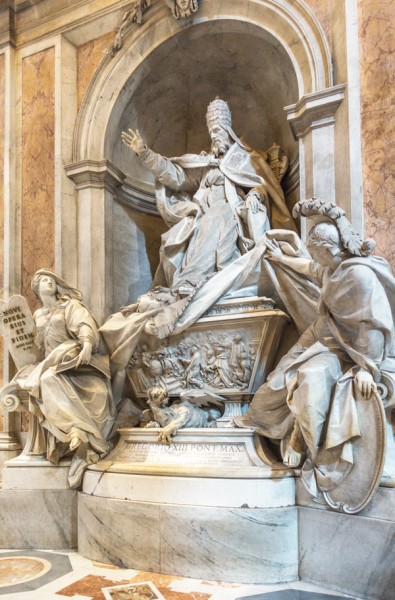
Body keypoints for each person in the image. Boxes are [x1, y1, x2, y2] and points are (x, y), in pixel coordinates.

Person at [235, 199, 395, 497]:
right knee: (276, 383)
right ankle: (261, 425)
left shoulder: (359, 276)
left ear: (327, 249)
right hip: (322, 335)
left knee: (309, 379)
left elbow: (372, 325)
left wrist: (366, 369)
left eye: (316, 250)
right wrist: (280, 259)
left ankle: (300, 438)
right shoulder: (331, 269)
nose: (314, 256)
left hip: (352, 351)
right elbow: (308, 268)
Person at [121, 98, 295, 297]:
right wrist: (145, 154)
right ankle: (189, 281)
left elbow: (263, 185)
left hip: (233, 211)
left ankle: (200, 280)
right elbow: (176, 177)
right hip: (202, 215)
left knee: (218, 217)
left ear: (228, 132)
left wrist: (255, 195)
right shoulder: (205, 164)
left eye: (218, 131)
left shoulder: (246, 158)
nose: (214, 136)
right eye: (211, 132)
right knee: (180, 235)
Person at [12, 269, 116, 487]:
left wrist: (87, 345)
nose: (49, 283)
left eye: (52, 280)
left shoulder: (69, 305)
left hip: (76, 363)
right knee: (47, 378)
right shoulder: (38, 315)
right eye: (44, 281)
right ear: (37, 290)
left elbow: (84, 324)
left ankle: (83, 434)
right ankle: (77, 431)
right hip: (52, 365)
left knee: (46, 376)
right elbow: (35, 346)